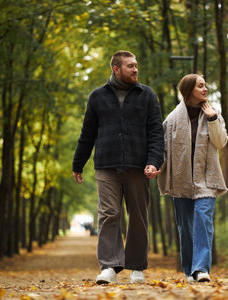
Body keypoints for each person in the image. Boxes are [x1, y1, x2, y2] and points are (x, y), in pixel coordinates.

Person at [72, 50, 164, 284]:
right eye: (130, 66)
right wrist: (78, 164)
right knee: (109, 214)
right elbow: (87, 134)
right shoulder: (97, 97)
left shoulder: (147, 95)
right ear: (116, 69)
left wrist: (154, 161)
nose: (135, 69)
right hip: (107, 165)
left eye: (136, 66)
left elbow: (155, 133)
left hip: (138, 166)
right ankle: (110, 266)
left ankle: (136, 267)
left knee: (138, 217)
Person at [157, 74, 228, 283]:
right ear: (188, 91)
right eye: (200, 86)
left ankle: (201, 269)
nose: (205, 89)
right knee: (186, 228)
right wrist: (155, 166)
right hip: (181, 181)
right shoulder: (171, 120)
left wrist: (213, 119)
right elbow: (163, 150)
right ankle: (190, 270)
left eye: (205, 85)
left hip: (207, 180)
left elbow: (220, 142)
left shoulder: (213, 114)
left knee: (203, 221)